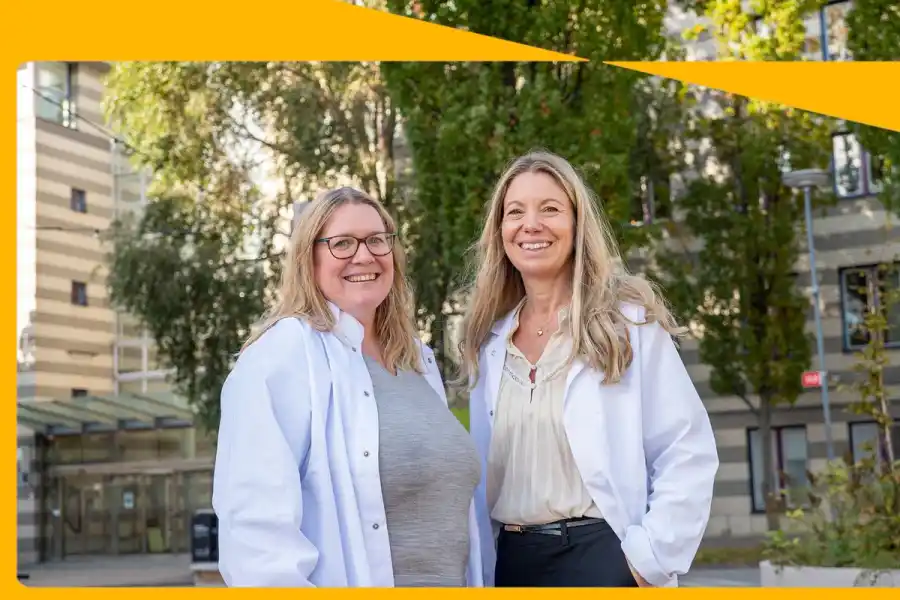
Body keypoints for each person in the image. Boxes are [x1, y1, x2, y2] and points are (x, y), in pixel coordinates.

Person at [457, 150, 719, 588]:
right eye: (515, 212)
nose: (531, 224)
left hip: (603, 560)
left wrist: (647, 560)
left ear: (578, 226)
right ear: (499, 230)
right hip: (512, 564)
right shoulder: (488, 343)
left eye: (551, 209)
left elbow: (685, 447)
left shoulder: (626, 325)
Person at [212, 187, 485, 588]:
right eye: (342, 243)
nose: (364, 255)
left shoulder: (418, 362)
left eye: (377, 240)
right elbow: (257, 538)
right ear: (310, 258)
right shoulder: (283, 356)